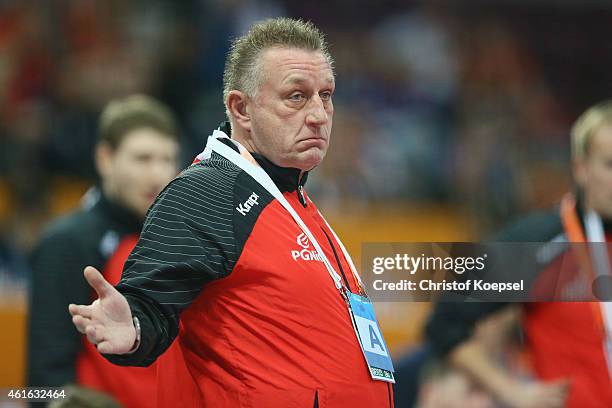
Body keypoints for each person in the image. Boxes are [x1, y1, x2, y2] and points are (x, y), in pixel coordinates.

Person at [68, 18, 395, 407]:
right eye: (296, 96)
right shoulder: (209, 190)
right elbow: (150, 302)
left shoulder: (290, 195)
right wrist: (135, 325)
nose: (319, 115)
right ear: (240, 108)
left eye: (326, 95)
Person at [426, 100, 612, 407]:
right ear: (581, 168)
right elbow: (445, 323)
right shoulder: (540, 243)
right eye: (610, 164)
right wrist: (509, 390)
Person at [27, 95, 180, 407]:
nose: (157, 174)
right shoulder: (66, 242)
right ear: (105, 159)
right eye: (143, 159)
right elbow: (43, 384)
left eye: (167, 160)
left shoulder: (182, 240)